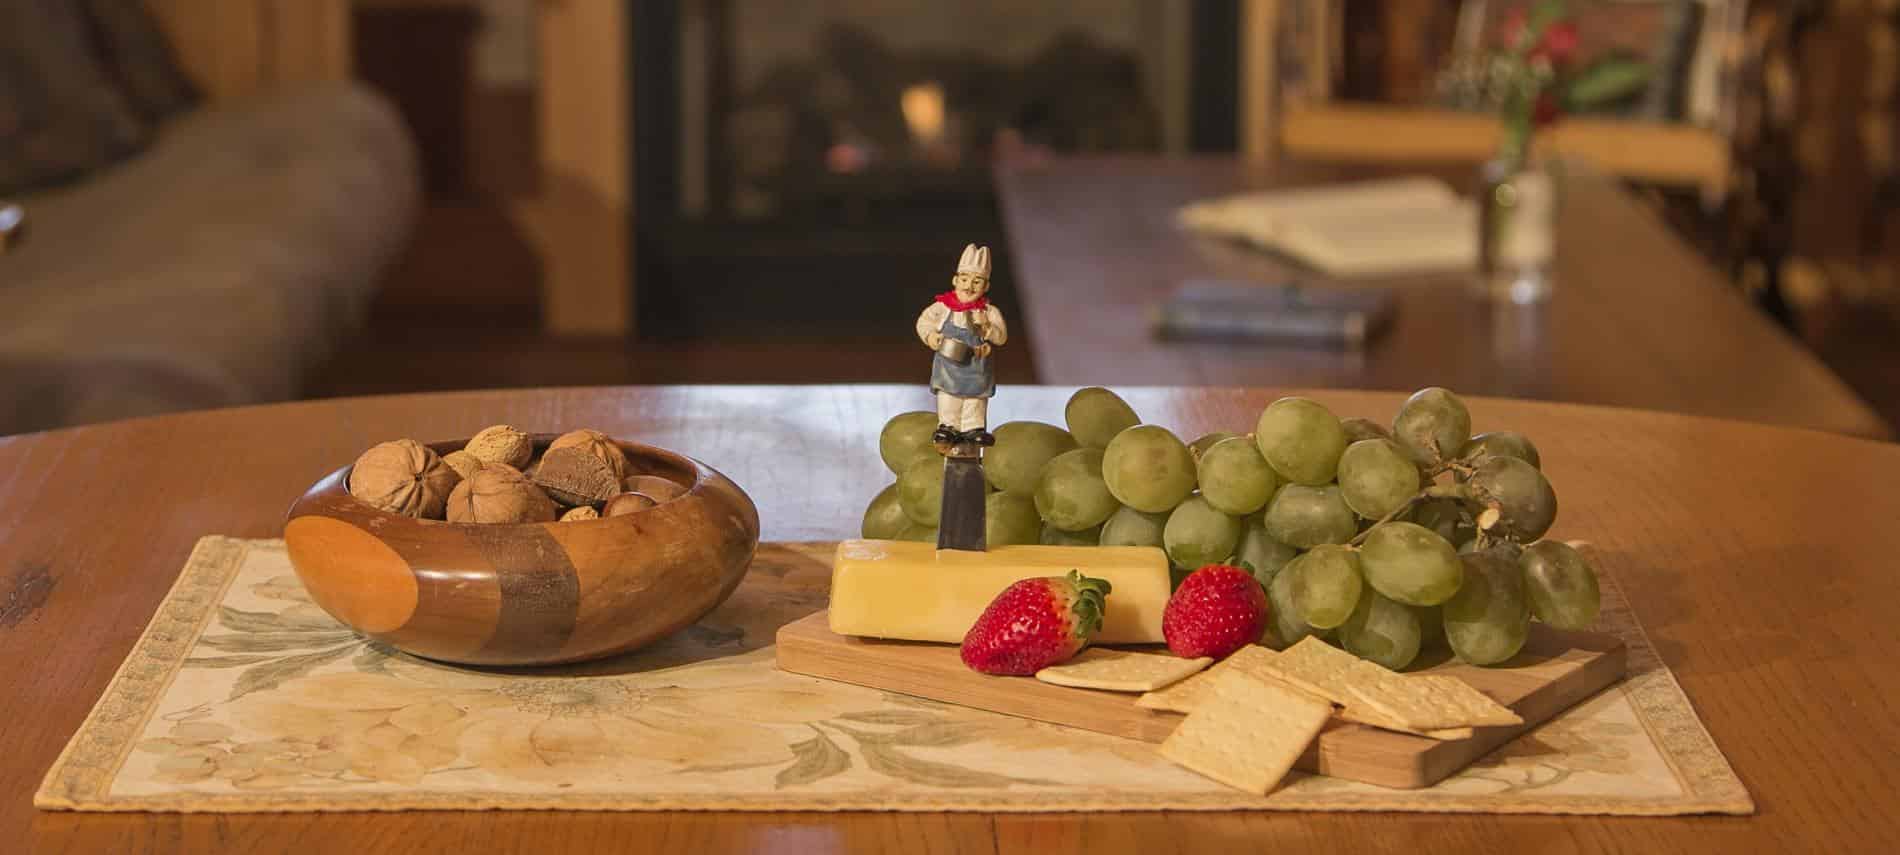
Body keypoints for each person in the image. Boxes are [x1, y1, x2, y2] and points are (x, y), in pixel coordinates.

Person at [916, 243, 1007, 447]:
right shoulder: (942, 308)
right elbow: (924, 322)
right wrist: (930, 336)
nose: (969, 286)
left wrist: (988, 330)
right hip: (949, 364)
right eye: (964, 280)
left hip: (977, 365)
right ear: (955, 280)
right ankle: (948, 427)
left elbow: (1001, 338)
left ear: (985, 287)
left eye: (977, 282)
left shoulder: (989, 312)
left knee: (975, 400)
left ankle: (973, 429)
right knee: (949, 397)